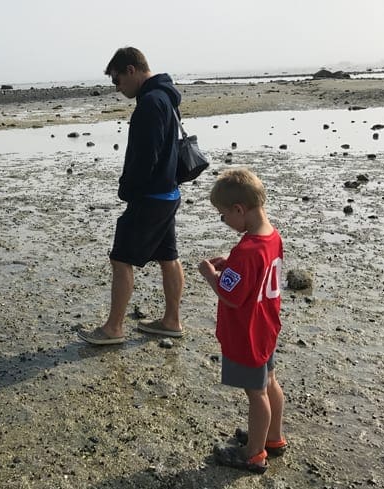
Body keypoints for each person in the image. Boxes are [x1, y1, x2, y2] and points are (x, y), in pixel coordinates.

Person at [78, 47, 184, 345]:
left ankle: (113, 328)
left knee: (120, 258)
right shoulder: (166, 96)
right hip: (168, 193)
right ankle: (171, 320)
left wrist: (127, 188)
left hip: (150, 196)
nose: (117, 87)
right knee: (168, 256)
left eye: (117, 80)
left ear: (131, 70)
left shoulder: (150, 103)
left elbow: (144, 158)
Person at [198, 168, 287, 474]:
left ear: (239, 209)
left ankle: (254, 453)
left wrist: (211, 274)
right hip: (267, 327)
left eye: (223, 216)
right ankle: (273, 437)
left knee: (256, 392)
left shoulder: (247, 250)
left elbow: (231, 295)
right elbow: (254, 276)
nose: (224, 222)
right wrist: (230, 263)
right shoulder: (271, 236)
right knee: (270, 381)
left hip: (248, 332)